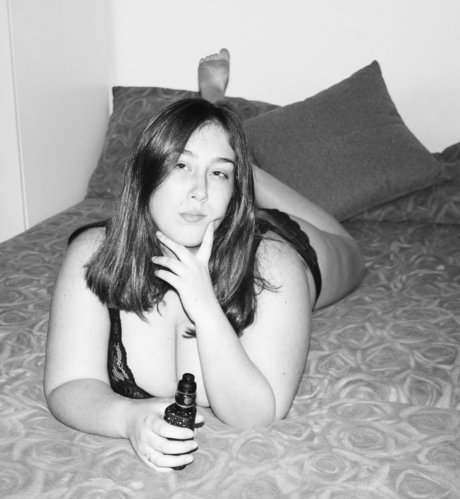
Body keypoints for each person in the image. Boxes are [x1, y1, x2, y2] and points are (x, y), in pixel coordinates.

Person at [44, 49, 365, 471]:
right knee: (218, 155)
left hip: (274, 244)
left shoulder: (276, 266)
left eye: (219, 174)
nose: (200, 191)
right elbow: (69, 383)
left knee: (350, 249)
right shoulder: (94, 253)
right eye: (181, 165)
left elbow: (258, 414)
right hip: (214, 223)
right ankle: (214, 115)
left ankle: (226, 134)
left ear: (233, 192)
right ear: (145, 174)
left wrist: (205, 306)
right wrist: (128, 418)